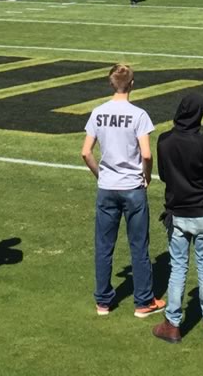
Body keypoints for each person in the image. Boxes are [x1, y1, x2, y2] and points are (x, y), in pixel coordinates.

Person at [80, 64, 165, 318]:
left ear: (110, 84)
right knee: (139, 246)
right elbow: (147, 154)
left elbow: (86, 152)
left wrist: (100, 174)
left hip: (107, 187)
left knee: (104, 245)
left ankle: (103, 301)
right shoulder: (139, 115)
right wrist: (146, 176)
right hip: (132, 188)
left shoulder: (98, 113)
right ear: (132, 84)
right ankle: (143, 302)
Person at [152, 92, 203, 344]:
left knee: (178, 268)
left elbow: (163, 174)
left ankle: (172, 325)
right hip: (202, 212)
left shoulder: (164, 141)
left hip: (178, 212)